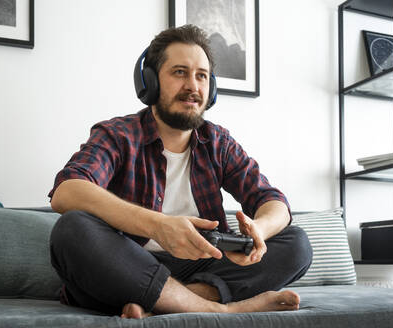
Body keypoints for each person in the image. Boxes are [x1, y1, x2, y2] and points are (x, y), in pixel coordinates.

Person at [48, 24, 312, 319]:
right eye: (179, 72)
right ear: (150, 81)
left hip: (201, 266)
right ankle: (218, 308)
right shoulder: (117, 134)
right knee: (72, 229)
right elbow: (67, 191)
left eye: (201, 76)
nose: (192, 86)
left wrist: (258, 232)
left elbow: (272, 200)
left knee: (296, 243)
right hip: (129, 265)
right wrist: (158, 226)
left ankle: (168, 303)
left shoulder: (218, 142)